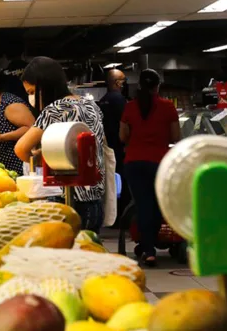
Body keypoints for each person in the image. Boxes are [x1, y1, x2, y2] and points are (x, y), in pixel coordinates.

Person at [14, 57, 106, 233]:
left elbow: (21, 149)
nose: (31, 97)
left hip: (66, 200)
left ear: (44, 86)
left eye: (32, 91)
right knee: (88, 250)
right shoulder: (91, 105)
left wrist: (41, 159)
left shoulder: (55, 109)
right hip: (94, 200)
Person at [120, 69, 181, 267]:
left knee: (143, 204)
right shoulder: (168, 106)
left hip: (134, 163)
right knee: (156, 204)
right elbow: (175, 137)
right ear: (158, 86)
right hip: (160, 163)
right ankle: (149, 247)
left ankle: (147, 247)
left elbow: (123, 136)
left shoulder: (130, 107)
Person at [99, 69, 129, 222]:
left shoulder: (103, 100)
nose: (125, 84)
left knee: (111, 184)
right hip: (119, 148)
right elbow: (126, 126)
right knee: (122, 184)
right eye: (123, 80)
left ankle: (112, 215)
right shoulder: (120, 100)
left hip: (105, 148)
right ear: (117, 82)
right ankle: (121, 218)